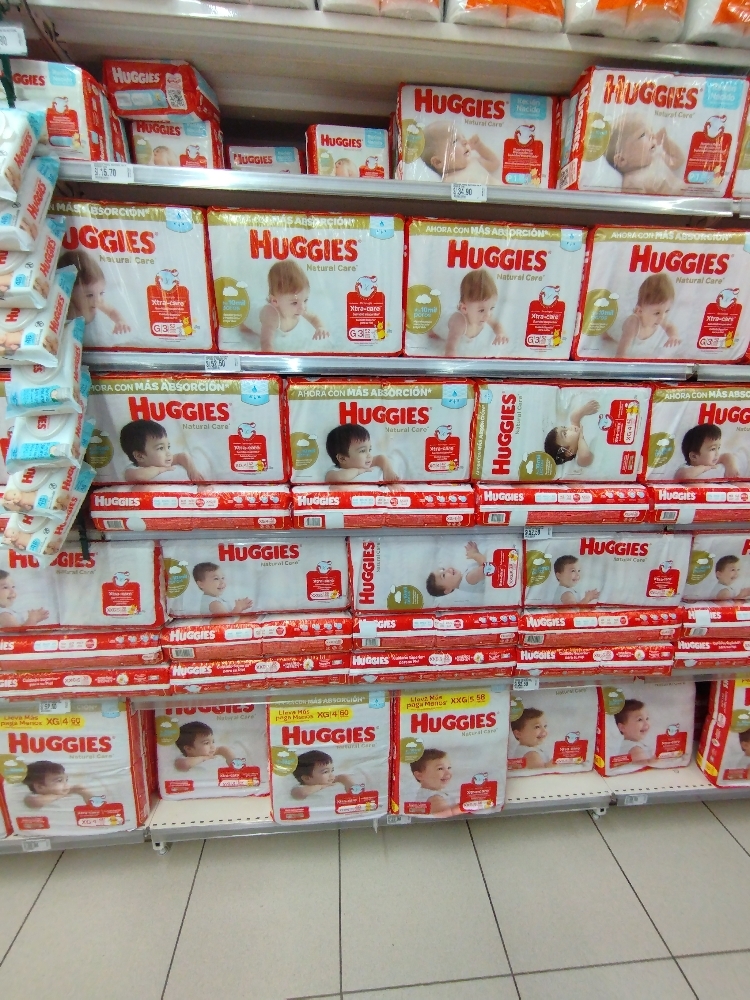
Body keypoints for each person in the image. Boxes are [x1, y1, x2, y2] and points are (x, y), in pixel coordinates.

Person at [242, 260, 328, 352]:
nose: (302, 307)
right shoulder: (271, 316)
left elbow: (313, 318)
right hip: (248, 314)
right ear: (275, 301)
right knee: (245, 328)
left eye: (305, 300)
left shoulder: (299, 307)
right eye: (294, 303)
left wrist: (320, 327)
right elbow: (266, 342)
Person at [59, 249, 131, 338]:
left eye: (101, 293)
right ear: (69, 292)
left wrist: (120, 321)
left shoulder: (98, 302)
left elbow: (112, 311)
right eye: (89, 295)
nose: (97, 300)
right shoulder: (67, 308)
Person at [606, 114, 684, 195]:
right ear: (622, 160)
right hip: (670, 201)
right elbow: (635, 202)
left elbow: (679, 160)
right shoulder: (632, 182)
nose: (652, 135)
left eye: (651, 130)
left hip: (688, 195)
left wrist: (666, 142)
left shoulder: (658, 156)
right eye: (643, 135)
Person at [442, 269, 507, 357]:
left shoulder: (485, 315)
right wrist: (452, 354)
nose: (488, 314)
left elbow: (496, 324)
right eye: (481, 310)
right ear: (464, 308)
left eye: (491, 308)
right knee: (434, 332)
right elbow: (450, 347)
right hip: (440, 323)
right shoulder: (459, 322)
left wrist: (500, 333)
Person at [615, 273, 679, 358]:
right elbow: (620, 353)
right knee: (608, 336)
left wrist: (674, 336)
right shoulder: (633, 324)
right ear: (639, 311)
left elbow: (669, 327)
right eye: (657, 313)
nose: (662, 317)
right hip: (614, 328)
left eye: (666, 311)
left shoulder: (659, 318)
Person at [120, 419, 204, 482]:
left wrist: (193, 471)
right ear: (140, 456)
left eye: (168, 447)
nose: (168, 453)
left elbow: (182, 456)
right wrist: (161, 469)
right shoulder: (132, 470)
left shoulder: (164, 461)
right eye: (161, 448)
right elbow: (138, 476)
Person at [419, 121, 501, 183]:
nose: (465, 141)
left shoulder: (475, 162)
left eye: (463, 137)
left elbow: (495, 163)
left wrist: (479, 147)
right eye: (455, 141)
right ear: (438, 162)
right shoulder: (449, 181)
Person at [325, 424, 398, 483]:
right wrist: (358, 471)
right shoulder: (334, 471)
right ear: (342, 458)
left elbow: (380, 458)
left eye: (369, 450)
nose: (369, 455)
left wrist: (388, 471)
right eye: (363, 451)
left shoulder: (364, 464)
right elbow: (338, 478)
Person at [543, 399, 600, 469]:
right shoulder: (579, 459)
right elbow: (585, 456)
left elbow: (574, 418)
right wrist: (581, 438)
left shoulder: (576, 432)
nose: (569, 428)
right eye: (565, 433)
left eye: (565, 428)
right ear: (569, 451)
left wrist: (584, 410)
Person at [674, 424, 740, 481]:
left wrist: (731, 467)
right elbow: (683, 476)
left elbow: (726, 456)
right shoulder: (686, 468)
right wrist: (705, 468)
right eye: (713, 449)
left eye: (718, 448)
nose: (717, 453)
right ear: (694, 456)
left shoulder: (713, 462)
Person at [290, 749, 356, 799]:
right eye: (325, 772)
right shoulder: (300, 788)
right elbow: (301, 793)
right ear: (307, 778)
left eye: (332, 771)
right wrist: (321, 786)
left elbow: (341, 777)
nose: (331, 775)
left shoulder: (329, 781)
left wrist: (346, 780)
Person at [409, 748, 458, 816]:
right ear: (419, 775)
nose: (448, 773)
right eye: (440, 768)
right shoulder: (435, 799)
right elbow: (449, 818)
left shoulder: (426, 793)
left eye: (449, 768)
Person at [22, 761, 91, 808]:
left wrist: (84, 792)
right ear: (40, 787)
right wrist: (60, 796)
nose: (66, 784)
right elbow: (35, 802)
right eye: (59, 780)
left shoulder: (66, 793)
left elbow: (94, 804)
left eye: (66, 780)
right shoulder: (34, 796)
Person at [614, 699, 652, 764]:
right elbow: (646, 768)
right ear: (622, 727)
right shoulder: (635, 750)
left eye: (647, 718)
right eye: (640, 720)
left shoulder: (629, 745)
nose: (646, 724)